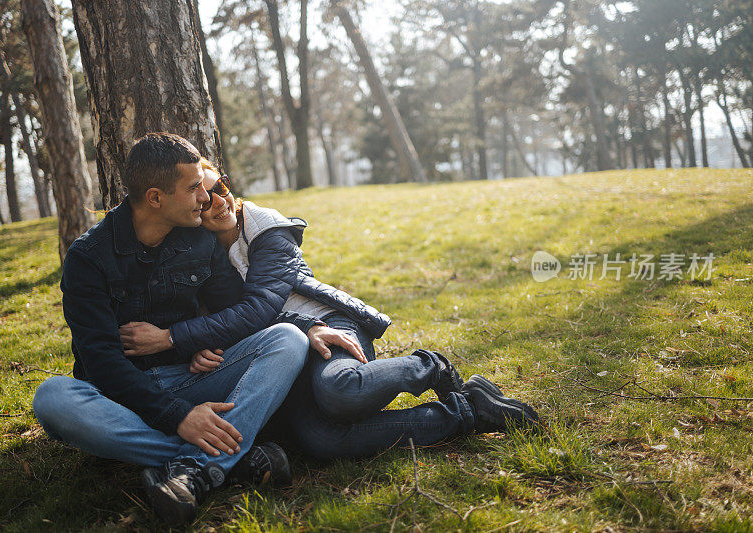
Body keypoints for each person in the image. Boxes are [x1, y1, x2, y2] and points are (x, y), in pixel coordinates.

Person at [31, 133, 357, 527]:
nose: (205, 199)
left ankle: (196, 468)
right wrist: (179, 417)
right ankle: (229, 462)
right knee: (52, 398)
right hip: (121, 395)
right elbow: (100, 363)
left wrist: (305, 326)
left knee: (284, 340)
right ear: (156, 198)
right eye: (192, 189)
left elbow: (238, 310)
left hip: (190, 377)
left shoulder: (197, 240)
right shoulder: (88, 258)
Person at [122, 158, 540, 462]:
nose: (217, 201)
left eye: (223, 186)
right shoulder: (197, 253)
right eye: (204, 194)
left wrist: (178, 338)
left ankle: (429, 367)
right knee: (322, 440)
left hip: (327, 326)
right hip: (279, 351)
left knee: (341, 389)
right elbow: (218, 316)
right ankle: (467, 411)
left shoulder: (267, 231)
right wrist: (200, 346)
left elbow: (258, 307)